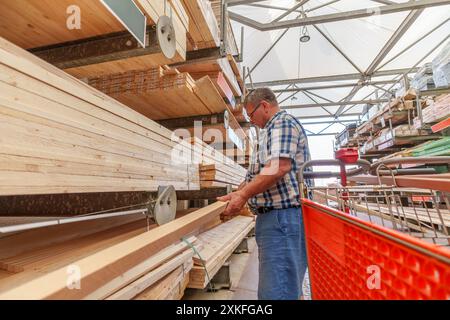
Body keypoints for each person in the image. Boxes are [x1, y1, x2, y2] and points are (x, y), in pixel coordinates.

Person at [217, 87, 311, 300]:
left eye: (251, 115)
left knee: (277, 292)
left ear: (265, 106)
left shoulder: (282, 124)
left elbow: (279, 167)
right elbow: (256, 176)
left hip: (283, 219)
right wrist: (237, 193)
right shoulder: (270, 130)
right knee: (285, 286)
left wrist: (243, 196)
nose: (251, 121)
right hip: (276, 219)